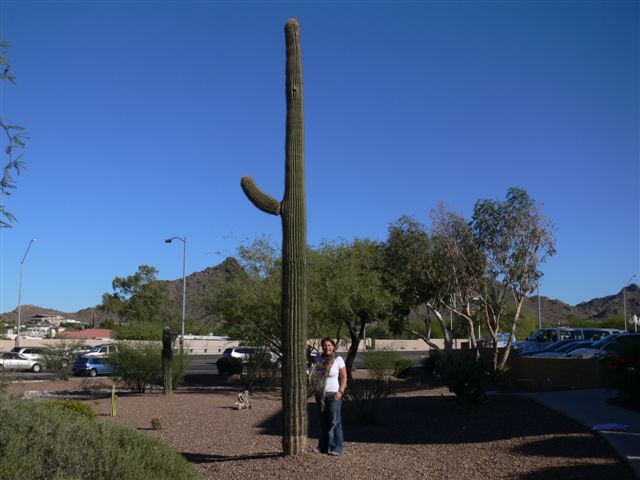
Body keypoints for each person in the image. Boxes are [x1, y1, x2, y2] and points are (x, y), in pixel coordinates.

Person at [311, 337, 347, 456]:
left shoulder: (338, 359)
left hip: (333, 395)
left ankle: (336, 447)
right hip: (321, 395)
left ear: (333, 346)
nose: (327, 347)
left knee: (334, 422)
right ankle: (323, 447)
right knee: (323, 422)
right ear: (323, 347)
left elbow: (344, 376)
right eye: (325, 345)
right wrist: (308, 348)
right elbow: (308, 358)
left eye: (329, 345)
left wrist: (341, 391)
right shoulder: (319, 358)